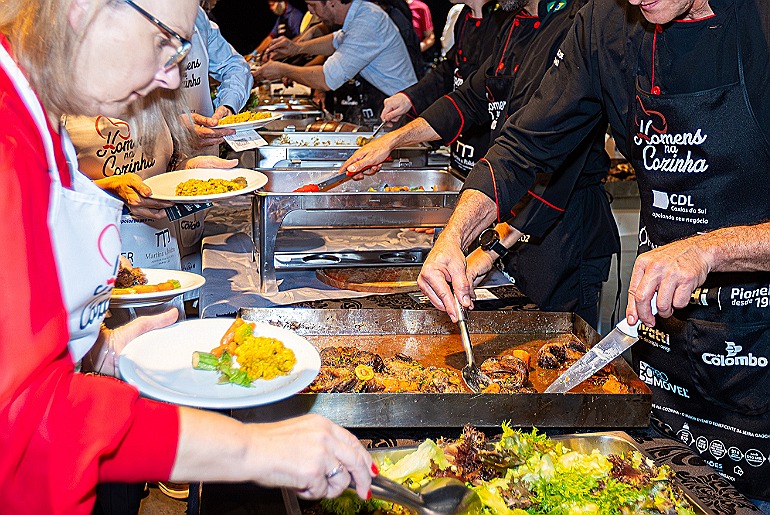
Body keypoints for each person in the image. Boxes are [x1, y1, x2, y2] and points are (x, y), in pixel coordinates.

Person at [0, 2, 376, 515]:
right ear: (85, 9)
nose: (174, 74)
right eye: (163, 41)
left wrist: (96, 349)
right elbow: (27, 423)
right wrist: (254, 450)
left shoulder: (35, 115)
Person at [405, 0, 770, 505]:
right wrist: (457, 234)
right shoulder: (604, 25)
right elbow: (525, 146)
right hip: (663, 341)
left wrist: (710, 250)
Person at [341, 0, 619, 328]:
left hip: (563, 231)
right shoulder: (512, 25)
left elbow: (555, 160)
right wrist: (393, 140)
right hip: (509, 211)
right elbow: (471, 98)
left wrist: (491, 248)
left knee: (555, 354)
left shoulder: (575, 26)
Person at [379, 0, 506, 176]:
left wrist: (397, 138)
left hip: (490, 157)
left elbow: (475, 95)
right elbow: (449, 69)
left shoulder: (505, 21)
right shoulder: (464, 16)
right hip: (460, 153)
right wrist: (409, 98)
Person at [254, 0, 417, 127]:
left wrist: (283, 70)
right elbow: (335, 41)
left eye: (313, 5)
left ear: (332, 2)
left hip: (398, 112)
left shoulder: (367, 23)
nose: (311, 11)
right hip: (386, 108)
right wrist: (296, 48)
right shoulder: (361, 13)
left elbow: (326, 79)